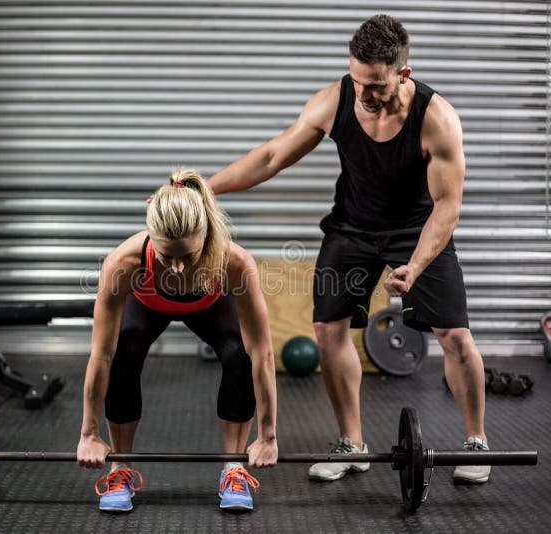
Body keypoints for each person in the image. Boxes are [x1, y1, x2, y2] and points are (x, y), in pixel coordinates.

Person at [207, 14, 491, 485]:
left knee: (455, 336)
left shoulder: (436, 118)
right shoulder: (336, 99)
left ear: (404, 73)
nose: (363, 94)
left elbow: (447, 207)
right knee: (327, 328)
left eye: (375, 85)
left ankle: (477, 444)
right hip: (352, 228)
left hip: (418, 230)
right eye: (357, 80)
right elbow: (272, 156)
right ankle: (352, 443)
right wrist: (206, 190)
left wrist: (416, 267)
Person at [77, 168, 278, 513]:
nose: (178, 268)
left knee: (239, 354)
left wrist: (268, 435)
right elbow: (102, 354)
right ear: (152, 239)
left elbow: (262, 352)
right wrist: (88, 433)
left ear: (206, 237)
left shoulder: (234, 262)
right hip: (147, 305)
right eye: (167, 256)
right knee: (124, 353)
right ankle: (120, 467)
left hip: (209, 305)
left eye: (188, 255)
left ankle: (234, 467)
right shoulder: (122, 263)